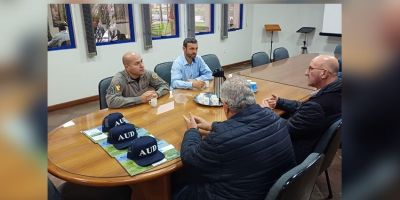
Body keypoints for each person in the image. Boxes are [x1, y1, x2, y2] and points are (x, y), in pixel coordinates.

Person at [174, 76, 296, 200]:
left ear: (225, 106)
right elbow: (244, 125)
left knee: (177, 184)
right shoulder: (276, 119)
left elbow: (190, 160)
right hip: (275, 191)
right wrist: (212, 126)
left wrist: (192, 131)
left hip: (239, 194)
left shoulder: (219, 141)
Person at [261, 55, 342, 163]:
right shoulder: (337, 91)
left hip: (294, 153)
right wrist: (280, 102)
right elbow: (306, 108)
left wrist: (266, 111)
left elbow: (283, 129)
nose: (306, 73)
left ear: (324, 73)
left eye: (310, 68)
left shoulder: (318, 106)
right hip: (315, 146)